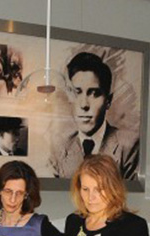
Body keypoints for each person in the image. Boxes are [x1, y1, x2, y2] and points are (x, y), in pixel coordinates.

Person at [49, 52, 140, 180]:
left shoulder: (128, 146)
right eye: (77, 93)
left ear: (108, 101)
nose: (84, 105)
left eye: (94, 94)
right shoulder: (59, 149)